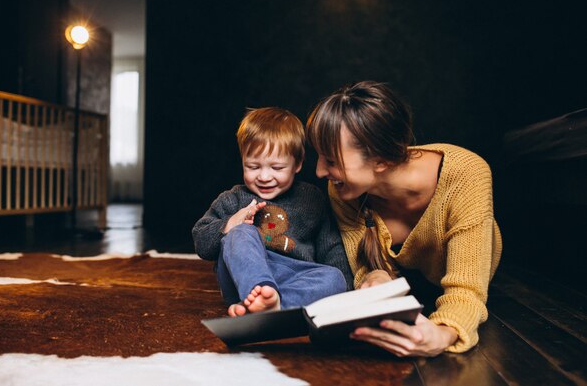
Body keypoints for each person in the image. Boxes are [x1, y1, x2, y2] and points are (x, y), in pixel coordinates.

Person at [306, 81, 502, 356]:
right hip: (414, 291)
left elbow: (467, 289)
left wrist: (444, 334)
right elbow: (364, 264)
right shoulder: (343, 191)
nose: (319, 172)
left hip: (469, 278)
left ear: (382, 161)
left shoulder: (467, 175)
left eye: (331, 161)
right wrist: (376, 277)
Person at [192, 107, 354, 317]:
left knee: (335, 277)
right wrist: (229, 225)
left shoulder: (312, 199)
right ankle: (259, 293)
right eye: (253, 167)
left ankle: (275, 304)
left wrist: (346, 290)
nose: (264, 176)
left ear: (298, 163)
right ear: (242, 160)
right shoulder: (233, 198)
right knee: (241, 233)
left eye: (276, 168)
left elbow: (332, 247)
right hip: (242, 278)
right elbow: (201, 242)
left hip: (295, 276)